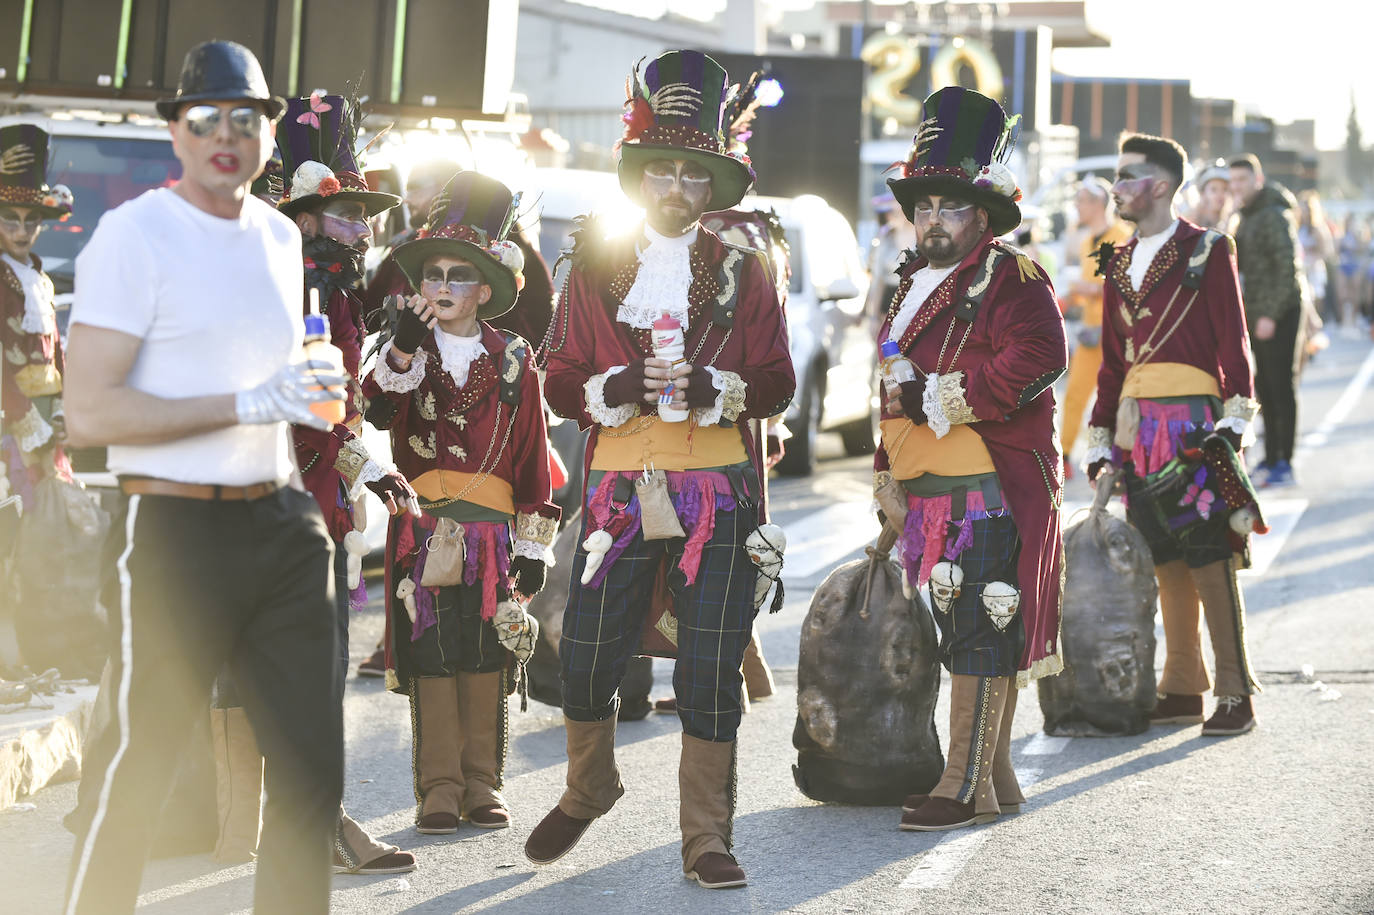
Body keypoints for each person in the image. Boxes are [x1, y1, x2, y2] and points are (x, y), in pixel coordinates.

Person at [60, 40, 344, 914]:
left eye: (245, 118)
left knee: (311, 776)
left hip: (284, 525)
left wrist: (310, 385)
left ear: (268, 134)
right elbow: (90, 413)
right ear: (177, 133)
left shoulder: (281, 237)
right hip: (174, 530)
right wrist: (245, 401)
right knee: (138, 771)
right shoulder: (134, 234)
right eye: (206, 117)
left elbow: (274, 384)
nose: (226, 133)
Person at [524, 49, 795, 889]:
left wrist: (719, 386)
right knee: (585, 651)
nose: (677, 187)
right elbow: (558, 376)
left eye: (694, 173)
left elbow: (779, 380)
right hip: (617, 489)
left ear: (714, 184)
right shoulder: (592, 263)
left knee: (709, 665)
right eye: (662, 171)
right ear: (640, 178)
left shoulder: (748, 269)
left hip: (718, 489)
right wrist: (611, 385)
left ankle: (705, 836)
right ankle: (589, 784)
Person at [871, 87, 1066, 832]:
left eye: (949, 206)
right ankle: (995, 779)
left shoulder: (1013, 275)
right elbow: (891, 387)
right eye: (922, 206)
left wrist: (945, 396)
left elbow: (1041, 355)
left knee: (981, 632)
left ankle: (959, 783)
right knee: (973, 625)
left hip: (989, 482)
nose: (932, 220)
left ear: (981, 215)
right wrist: (884, 472)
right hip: (928, 488)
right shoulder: (910, 282)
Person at [235, 90, 414, 875]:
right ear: (305, 219)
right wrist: (370, 467)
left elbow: (339, 404)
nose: (364, 231)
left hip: (309, 508)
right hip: (278, 510)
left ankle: (314, 824)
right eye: (348, 216)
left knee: (305, 676)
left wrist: (393, 361)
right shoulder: (289, 288)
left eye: (365, 218)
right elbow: (313, 417)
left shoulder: (333, 293)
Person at [362, 170, 559, 835]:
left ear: (486, 288)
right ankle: (439, 787)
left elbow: (532, 459)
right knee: (431, 655)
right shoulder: (402, 351)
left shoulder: (515, 359)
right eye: (432, 275)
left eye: (458, 275)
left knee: (485, 653)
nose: (442, 286)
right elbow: (374, 408)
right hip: (421, 532)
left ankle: (482, 783)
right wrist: (403, 345)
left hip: (491, 535)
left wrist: (531, 547)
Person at [1087, 132, 1263, 737]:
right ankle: (1183, 686)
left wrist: (1233, 424)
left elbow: (1233, 340)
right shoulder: (1114, 259)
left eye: (1126, 176)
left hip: (1194, 424)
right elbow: (1112, 362)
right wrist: (1101, 441)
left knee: (1210, 556)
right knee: (1163, 558)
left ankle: (1236, 693)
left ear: (1160, 185)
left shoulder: (1208, 249)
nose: (1116, 187)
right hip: (1136, 428)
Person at [0, 124, 74, 504]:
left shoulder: (41, 280)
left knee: (48, 511)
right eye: (10, 218)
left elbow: (55, 351)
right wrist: (25, 419)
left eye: (31, 219)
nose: (22, 229)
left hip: (44, 415)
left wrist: (60, 410)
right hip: (8, 415)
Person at [1229, 153, 1304, 487]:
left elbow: (1288, 269)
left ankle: (1284, 461)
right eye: (1233, 181)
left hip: (1279, 313)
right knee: (1266, 388)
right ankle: (1271, 457)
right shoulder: (1247, 215)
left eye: (1242, 180)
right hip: (1258, 312)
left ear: (1257, 180)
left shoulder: (1273, 214)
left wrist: (1270, 315)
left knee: (1279, 386)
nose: (1236, 187)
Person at [1060, 178, 1133, 469]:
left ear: (1097, 204)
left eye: (1081, 201)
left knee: (1118, 396)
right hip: (1093, 331)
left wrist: (1083, 289)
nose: (1077, 206)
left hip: (1117, 333)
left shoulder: (1119, 236)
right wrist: (1066, 299)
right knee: (1075, 394)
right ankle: (1065, 455)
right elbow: (1088, 289)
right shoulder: (1086, 241)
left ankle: (1121, 455)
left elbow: (1114, 285)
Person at [1189, 159, 1231, 231]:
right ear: (1203, 193)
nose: (1220, 194)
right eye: (1213, 189)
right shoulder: (1191, 224)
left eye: (1225, 189)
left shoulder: (1233, 222)